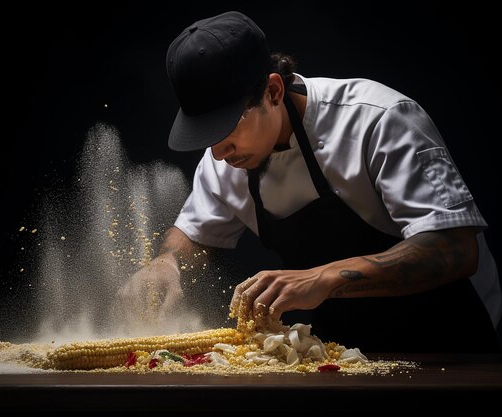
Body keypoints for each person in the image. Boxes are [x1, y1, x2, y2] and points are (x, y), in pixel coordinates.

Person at [118, 11, 501, 352]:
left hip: (455, 340)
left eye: (227, 127)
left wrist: (324, 277)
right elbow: (194, 234)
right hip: (349, 354)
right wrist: (166, 262)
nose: (218, 153)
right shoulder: (226, 157)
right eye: (206, 136)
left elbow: (455, 248)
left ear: (273, 91)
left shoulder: (380, 120)